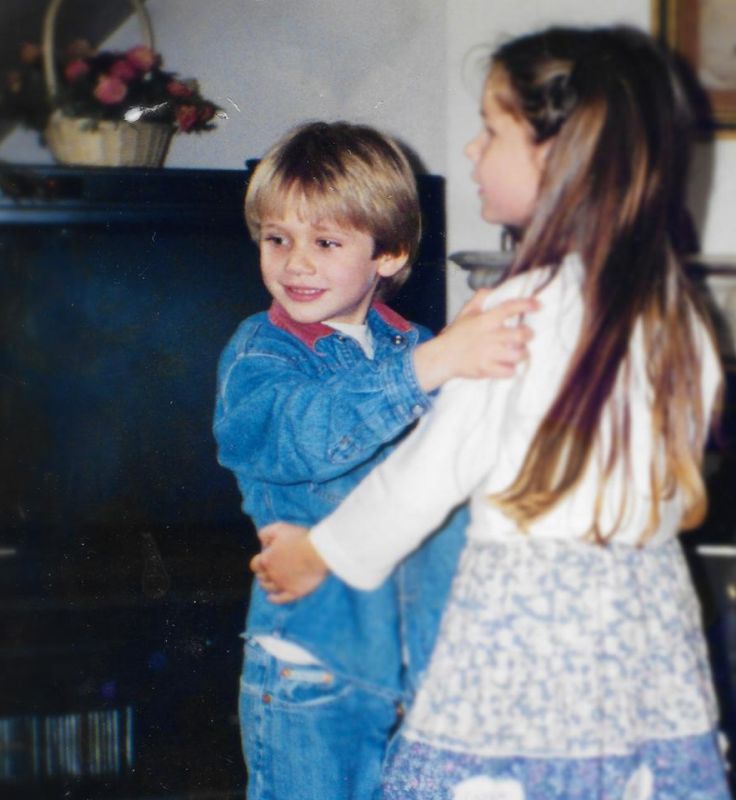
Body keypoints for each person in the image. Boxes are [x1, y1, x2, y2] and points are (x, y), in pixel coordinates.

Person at [253, 28, 732, 799]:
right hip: (644, 629)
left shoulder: (519, 309)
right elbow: (676, 477)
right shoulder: (674, 309)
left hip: (524, 638)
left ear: (559, 155)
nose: (473, 150)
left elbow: (430, 469)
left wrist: (320, 553)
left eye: (491, 129)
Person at [213, 120, 536, 800]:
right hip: (312, 660)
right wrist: (434, 365)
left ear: (388, 254)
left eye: (325, 242)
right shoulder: (261, 351)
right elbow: (301, 433)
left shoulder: (411, 345)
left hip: (414, 658)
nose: (296, 263)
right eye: (277, 239)